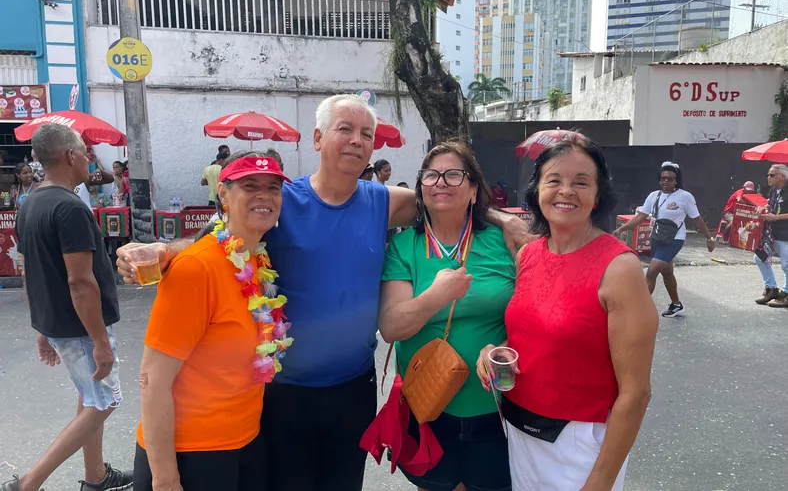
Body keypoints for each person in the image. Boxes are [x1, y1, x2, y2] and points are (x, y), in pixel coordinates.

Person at [116, 94, 530, 491]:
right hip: (286, 392)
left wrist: (501, 219)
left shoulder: (382, 201)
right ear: (317, 139)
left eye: (366, 134)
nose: (356, 140)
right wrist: (165, 249)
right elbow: (225, 237)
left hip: (353, 388)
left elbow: (443, 198)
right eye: (344, 129)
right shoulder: (281, 201)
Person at [477, 134, 657, 491]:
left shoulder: (619, 268)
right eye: (554, 180)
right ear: (537, 190)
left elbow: (635, 393)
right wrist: (492, 352)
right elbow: (531, 333)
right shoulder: (529, 255)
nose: (566, 191)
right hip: (520, 431)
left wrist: (600, 482)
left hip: (580, 446)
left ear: (597, 195)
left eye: (581, 182)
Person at [133, 154, 290, 490]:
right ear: (223, 193)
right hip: (193, 455)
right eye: (250, 186)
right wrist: (164, 479)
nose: (264, 195)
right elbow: (151, 380)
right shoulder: (196, 268)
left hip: (246, 442)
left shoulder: (258, 260)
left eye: (273, 188)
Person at [379, 142, 514, 491]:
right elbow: (392, 327)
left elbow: (532, 317)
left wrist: (503, 346)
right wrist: (435, 296)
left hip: (496, 408)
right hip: (428, 407)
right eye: (432, 175)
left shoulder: (503, 242)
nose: (442, 182)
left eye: (454, 174)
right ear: (421, 190)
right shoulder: (403, 246)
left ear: (473, 191)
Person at [4, 124, 132, 491]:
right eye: (85, 150)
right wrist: (102, 343)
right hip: (81, 327)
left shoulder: (31, 203)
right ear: (70, 156)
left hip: (59, 323)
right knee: (105, 402)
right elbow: (80, 282)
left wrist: (41, 328)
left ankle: (96, 475)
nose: (90, 157)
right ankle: (29, 482)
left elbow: (32, 269)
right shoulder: (69, 207)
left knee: (90, 394)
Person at [613, 162, 715, 318]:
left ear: (676, 181)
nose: (666, 181)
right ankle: (676, 305)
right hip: (657, 237)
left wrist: (709, 238)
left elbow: (697, 219)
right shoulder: (654, 196)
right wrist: (621, 229)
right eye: (663, 178)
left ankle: (638, 310)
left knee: (652, 271)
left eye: (670, 179)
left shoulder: (685, 197)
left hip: (674, 239)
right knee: (667, 273)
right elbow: (640, 217)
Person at [754, 164, 788, 307]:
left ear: (782, 177)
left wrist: (776, 218)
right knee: (759, 257)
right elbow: (771, 204)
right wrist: (765, 207)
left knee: (786, 265)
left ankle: (786, 294)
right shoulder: (774, 190)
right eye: (768, 175)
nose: (768, 177)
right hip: (772, 233)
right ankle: (772, 289)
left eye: (772, 175)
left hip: (785, 234)